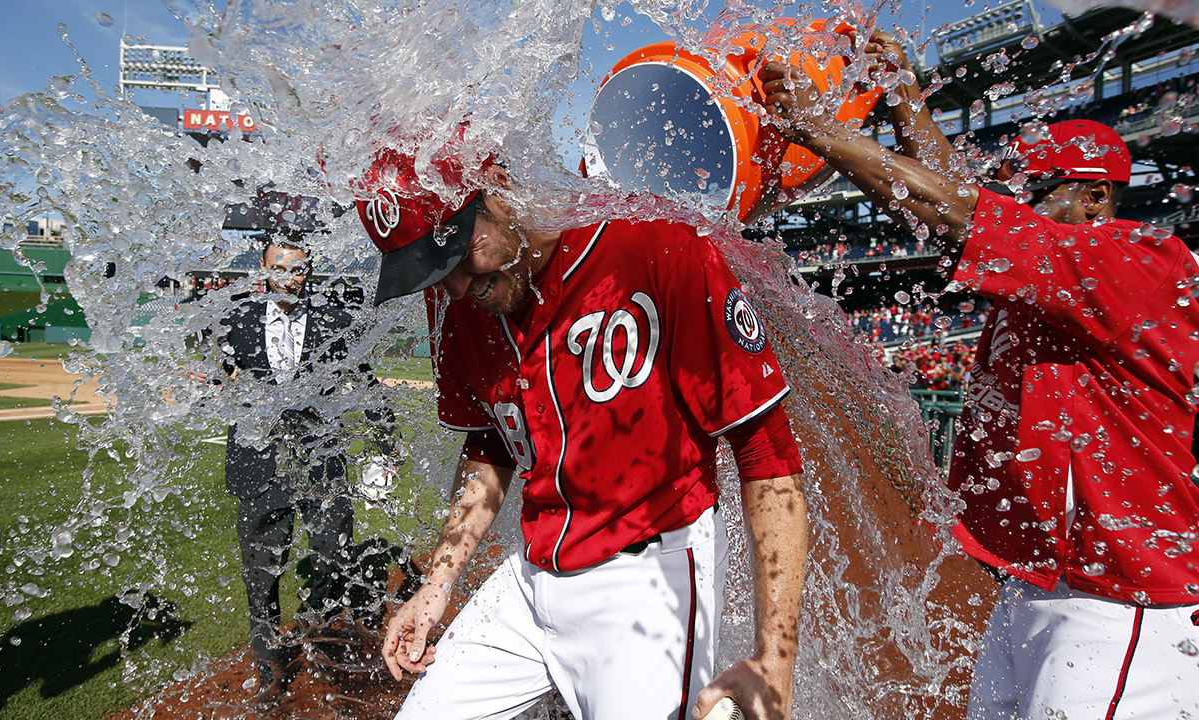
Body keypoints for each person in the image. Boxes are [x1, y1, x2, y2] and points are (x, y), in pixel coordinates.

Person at [759, 42, 1199, 720]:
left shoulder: (1135, 262)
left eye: (1039, 197)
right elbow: (962, 209)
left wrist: (820, 131)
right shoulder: (1056, 271)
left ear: (1095, 197)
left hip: (1126, 600)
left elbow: (964, 216)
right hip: (1040, 587)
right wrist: (905, 100)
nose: (1022, 210)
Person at [352, 138, 808, 720]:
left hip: (647, 578)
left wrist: (776, 658)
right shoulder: (458, 302)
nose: (458, 287)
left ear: (499, 189)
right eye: (433, 272)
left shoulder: (656, 246)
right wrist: (439, 581)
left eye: (459, 254)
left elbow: (765, 448)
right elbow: (492, 443)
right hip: (532, 574)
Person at [216, 232, 395, 700]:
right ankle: (269, 666)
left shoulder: (337, 321)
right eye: (280, 269)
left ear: (309, 270)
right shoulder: (235, 319)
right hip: (257, 464)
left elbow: (368, 385)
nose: (289, 279)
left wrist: (384, 443)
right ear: (263, 269)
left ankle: (325, 651)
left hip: (321, 465)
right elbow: (219, 373)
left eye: (297, 269)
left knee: (332, 563)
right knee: (261, 574)